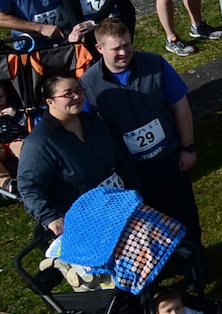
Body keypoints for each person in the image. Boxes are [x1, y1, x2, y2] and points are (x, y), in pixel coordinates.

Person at [82, 20, 203, 254]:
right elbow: (89, 133)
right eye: (116, 48)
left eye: (127, 44)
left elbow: (180, 106)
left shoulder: (155, 64)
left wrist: (188, 147)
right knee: (148, 229)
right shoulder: (88, 85)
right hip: (132, 173)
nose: (123, 52)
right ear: (99, 49)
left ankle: (196, 265)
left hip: (171, 160)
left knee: (185, 217)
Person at [15, 75, 126, 236]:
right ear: (49, 102)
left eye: (79, 90)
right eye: (68, 94)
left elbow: (119, 159)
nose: (76, 96)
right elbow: (28, 186)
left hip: (121, 204)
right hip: (87, 220)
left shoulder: (93, 121)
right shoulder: (39, 143)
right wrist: (50, 218)